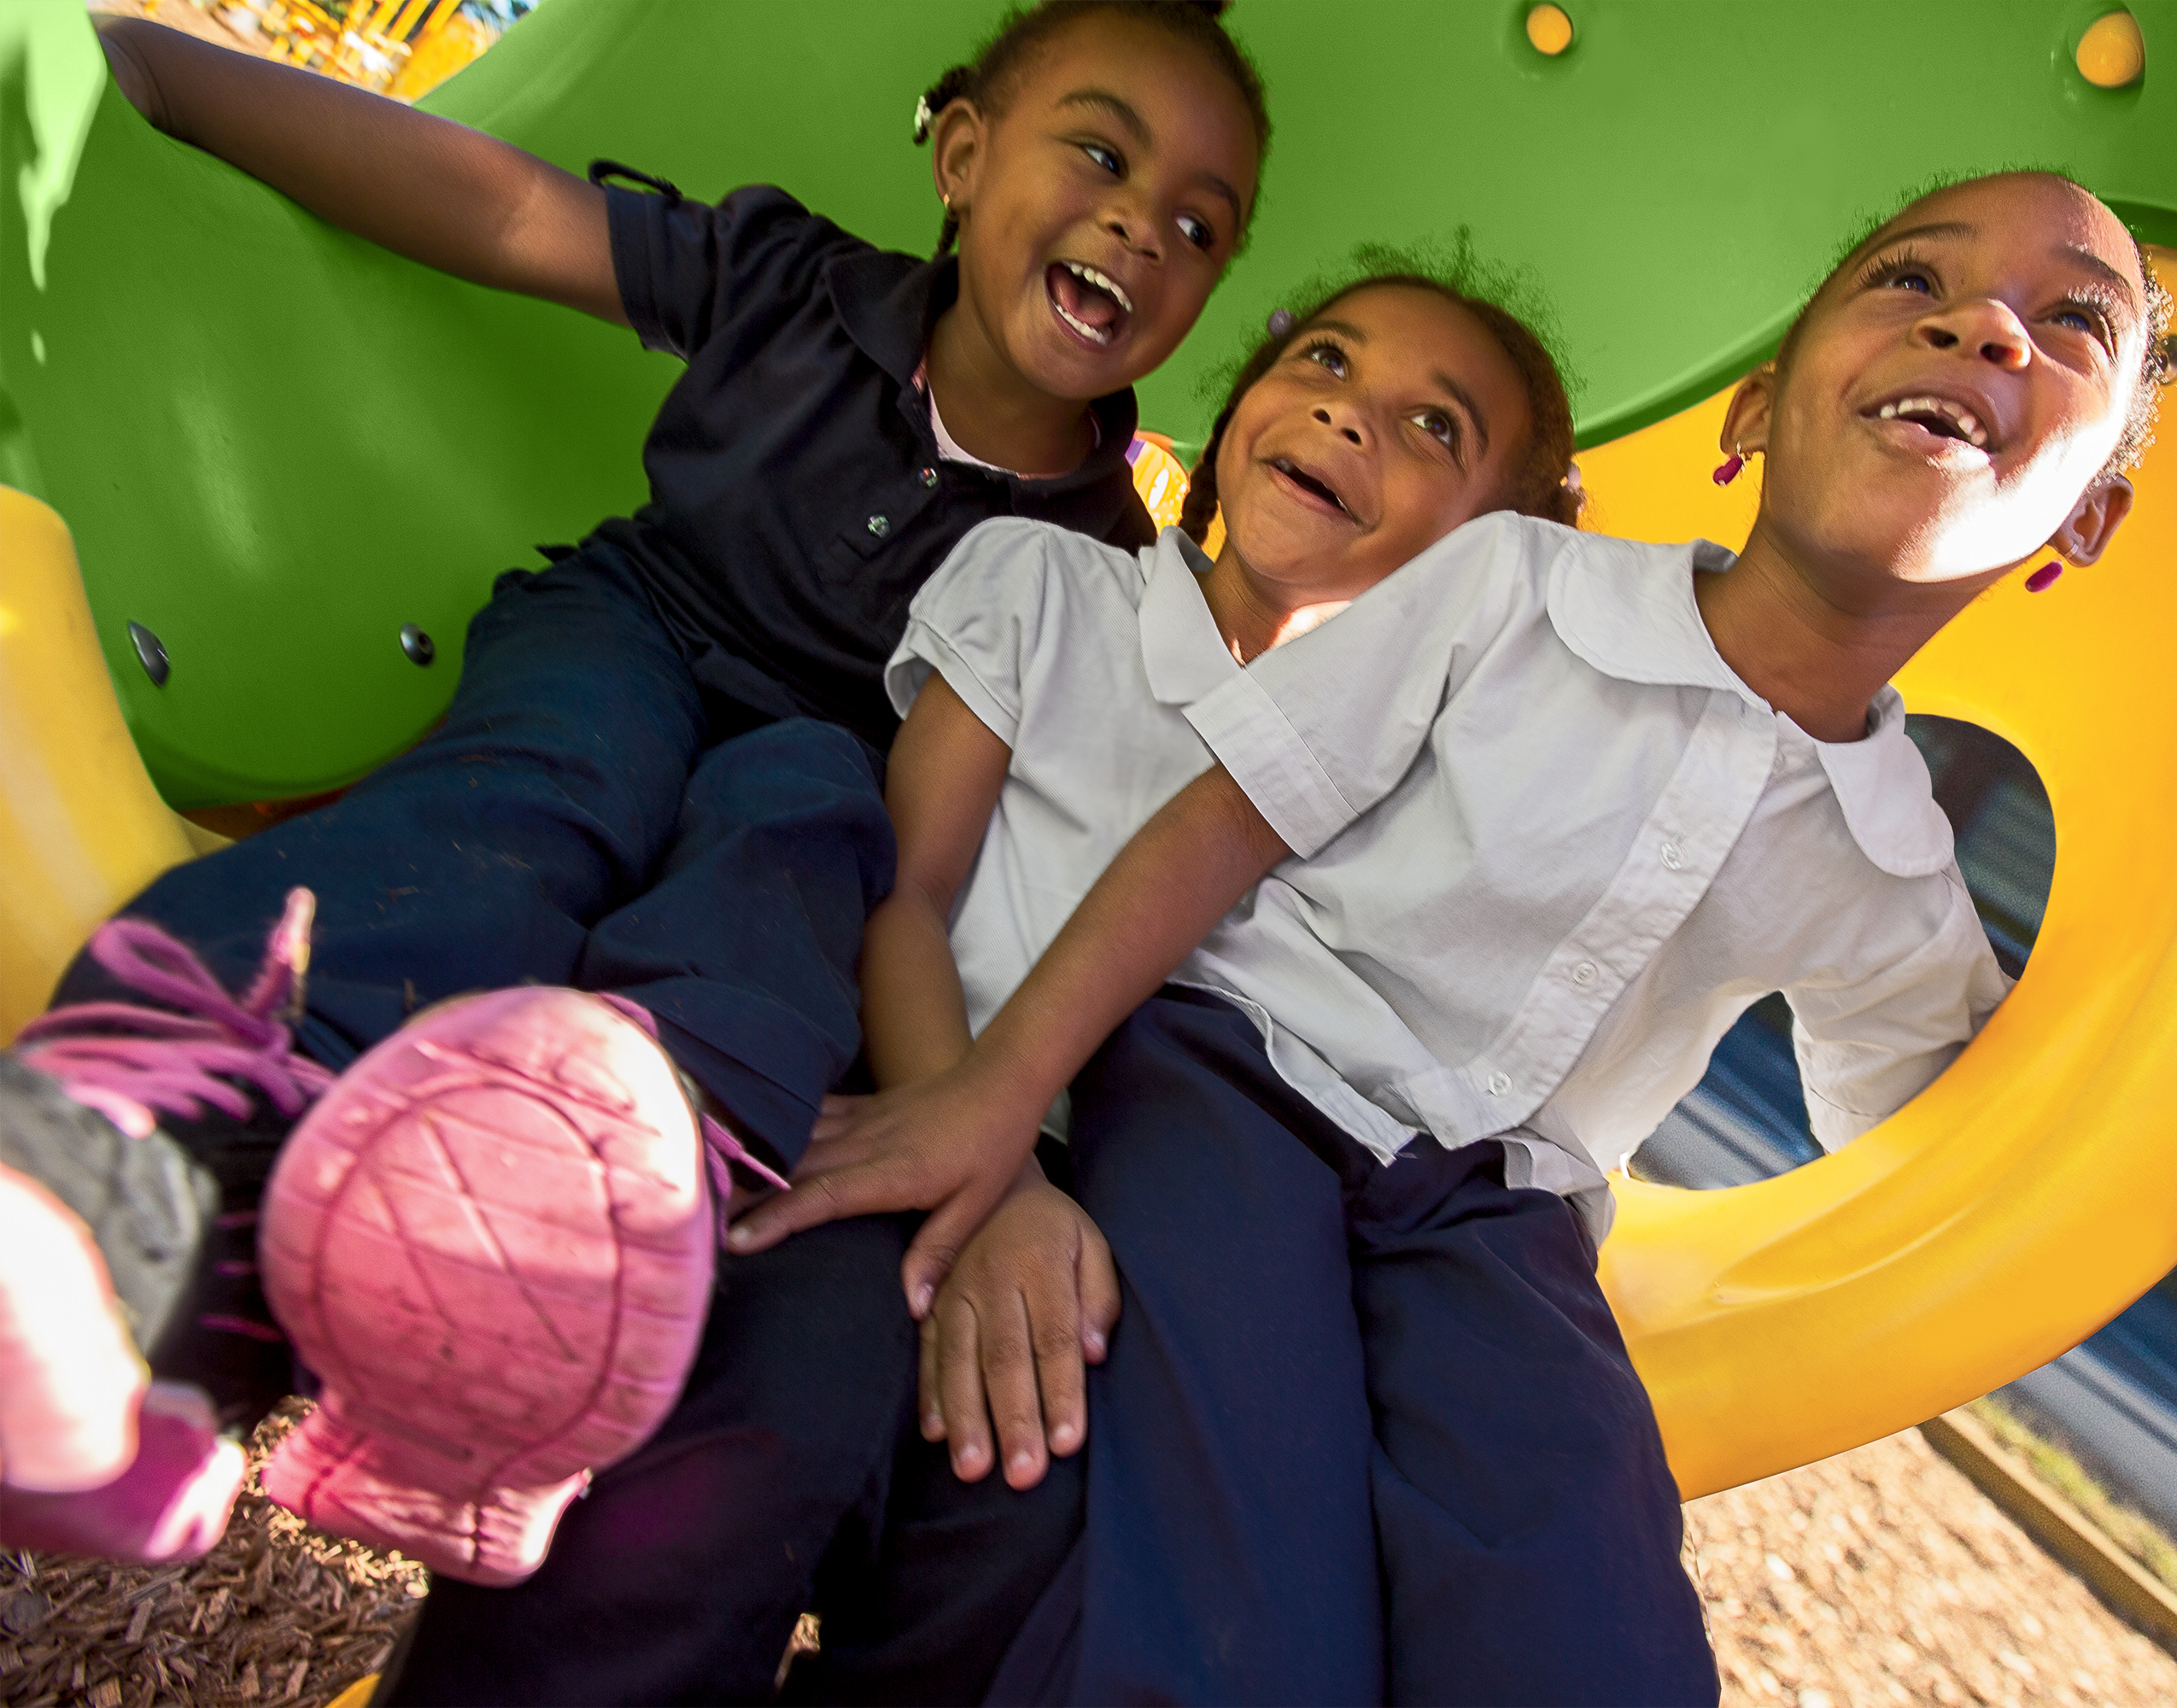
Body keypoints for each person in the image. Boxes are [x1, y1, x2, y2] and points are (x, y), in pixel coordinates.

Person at [746, 168, 2177, 1702]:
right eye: (1914, 281)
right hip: (1245, 1085)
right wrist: (999, 1095)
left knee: (1589, 1630)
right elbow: (1229, 823)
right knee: (1242, 1586)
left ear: (2082, 522)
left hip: (1509, 1218)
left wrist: (2148, 1087)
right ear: (1753, 412)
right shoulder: (1510, 592)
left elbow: (1943, 1166)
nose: (1982, 327)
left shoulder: (1896, 882)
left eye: (2070, 323)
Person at [0, 0, 1265, 1643]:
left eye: (1197, 226)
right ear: (961, 158)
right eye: (1099, 151)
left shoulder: (1106, 575)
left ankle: (555, 1275)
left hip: (834, 770)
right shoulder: (791, 286)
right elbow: (499, 209)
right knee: (533, 803)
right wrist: (163, 75)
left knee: (792, 866)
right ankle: (119, 1187)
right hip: (635, 635)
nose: (1137, 224)